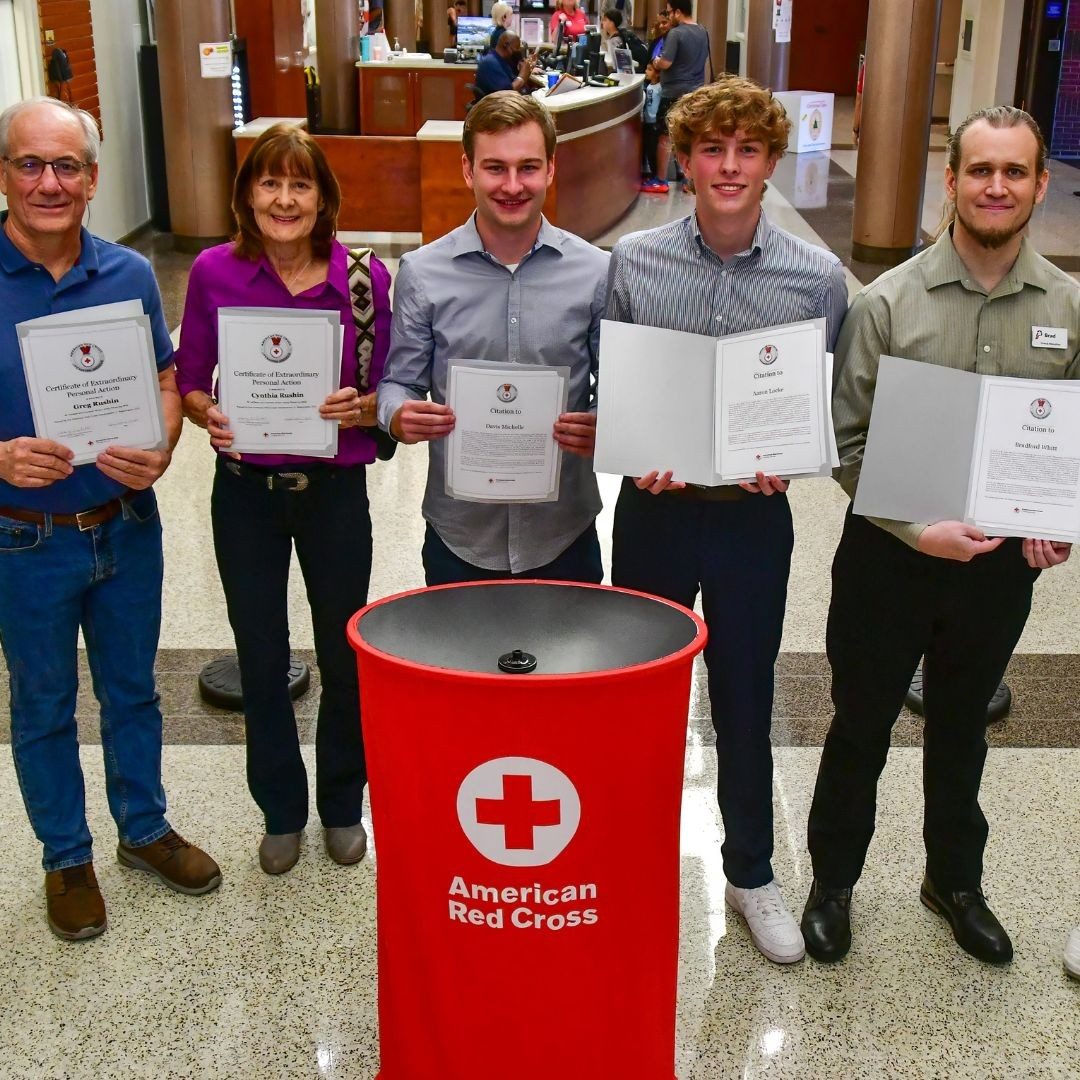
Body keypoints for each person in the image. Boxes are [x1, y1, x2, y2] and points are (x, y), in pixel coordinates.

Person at [801, 106, 1080, 966]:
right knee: (860, 724)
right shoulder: (887, 305)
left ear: (1039, 184)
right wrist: (917, 530)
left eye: (1015, 172)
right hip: (890, 561)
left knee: (963, 728)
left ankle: (954, 880)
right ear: (951, 181)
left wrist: (1054, 519)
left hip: (998, 574)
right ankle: (834, 880)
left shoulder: (1070, 309)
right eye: (980, 170)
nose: (997, 186)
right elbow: (845, 443)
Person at [606, 76, 847, 965]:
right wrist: (636, 449)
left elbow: (824, 407)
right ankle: (628, 861)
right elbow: (610, 386)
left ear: (772, 161)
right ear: (686, 157)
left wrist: (789, 453)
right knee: (640, 694)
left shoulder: (817, 279)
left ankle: (750, 872)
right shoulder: (634, 263)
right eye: (714, 149)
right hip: (655, 513)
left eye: (748, 150)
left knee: (746, 694)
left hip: (753, 520)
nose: (730, 166)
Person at [0, 98, 220, 941]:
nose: (49, 183)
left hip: (126, 523)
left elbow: (166, 382)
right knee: (44, 703)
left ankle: (144, 831)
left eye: (67, 167)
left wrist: (164, 445)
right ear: (7, 174)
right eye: (31, 164)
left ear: (93, 179)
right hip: (25, 537)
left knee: (134, 691)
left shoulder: (128, 272)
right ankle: (67, 858)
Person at [174, 124, 391, 876]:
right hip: (246, 496)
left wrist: (361, 409)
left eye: (301, 184)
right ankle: (280, 810)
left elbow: (388, 394)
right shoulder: (211, 273)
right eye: (270, 183)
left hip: (333, 493)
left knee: (344, 653)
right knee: (260, 656)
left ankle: (340, 803)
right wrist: (210, 412)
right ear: (247, 196)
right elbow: (193, 378)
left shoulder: (362, 281)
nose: (285, 199)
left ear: (324, 198)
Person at [378, 92, 609, 586]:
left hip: (563, 533)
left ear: (550, 169)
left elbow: (617, 388)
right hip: (459, 534)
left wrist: (605, 424)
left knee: (570, 665)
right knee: (461, 664)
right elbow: (398, 382)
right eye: (494, 168)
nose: (511, 185)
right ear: (467, 170)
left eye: (527, 167)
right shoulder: (423, 272)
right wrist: (397, 415)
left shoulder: (596, 272)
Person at [653, 0, 711, 190]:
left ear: (678, 12)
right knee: (689, 136)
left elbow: (666, 63)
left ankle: (660, 180)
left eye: (669, 13)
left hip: (674, 92)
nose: (668, 16)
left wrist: (656, 61)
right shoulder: (703, 31)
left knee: (665, 136)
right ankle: (688, 180)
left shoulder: (675, 34)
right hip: (695, 93)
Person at [475, 32, 536, 97]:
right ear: (506, 44)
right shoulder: (490, 63)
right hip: (499, 104)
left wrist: (526, 71)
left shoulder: (501, 60)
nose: (518, 51)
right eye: (517, 47)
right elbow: (507, 93)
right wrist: (522, 75)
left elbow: (514, 83)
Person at [639, 62, 666, 192]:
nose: (646, 72)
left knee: (654, 151)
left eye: (649, 70)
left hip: (655, 123)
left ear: (658, 73)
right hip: (648, 122)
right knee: (649, 150)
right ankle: (652, 174)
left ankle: (657, 174)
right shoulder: (649, 85)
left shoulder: (660, 88)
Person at [601, 7, 649, 73]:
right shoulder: (621, 34)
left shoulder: (615, 40)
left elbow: (618, 64)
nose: (602, 22)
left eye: (605, 20)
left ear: (612, 23)